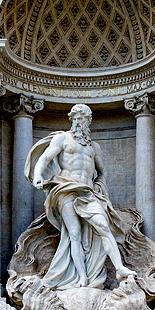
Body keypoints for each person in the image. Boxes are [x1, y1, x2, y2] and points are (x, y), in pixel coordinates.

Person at [27, 104, 136, 289]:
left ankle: (120, 268)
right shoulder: (63, 139)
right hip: (66, 188)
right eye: (76, 118)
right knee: (74, 233)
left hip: (88, 192)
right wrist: (37, 175)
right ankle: (82, 278)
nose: (79, 122)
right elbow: (44, 159)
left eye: (83, 119)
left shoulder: (94, 147)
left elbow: (102, 171)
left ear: (89, 122)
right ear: (71, 120)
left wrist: (100, 185)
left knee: (103, 225)